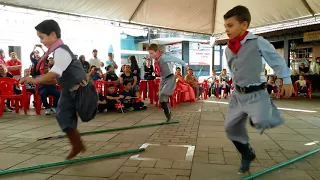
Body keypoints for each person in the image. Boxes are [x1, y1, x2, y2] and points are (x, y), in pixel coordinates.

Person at [223, 6, 293, 174]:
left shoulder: (258, 42)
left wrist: (286, 79)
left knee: (262, 120)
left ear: (244, 25)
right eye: (225, 26)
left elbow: (276, 59)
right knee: (230, 128)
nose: (226, 30)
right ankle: (247, 153)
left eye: (230, 25)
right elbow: (234, 69)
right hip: (238, 94)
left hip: (256, 93)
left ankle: (263, 113)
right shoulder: (227, 49)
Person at [20, 19, 98, 160]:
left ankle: (79, 138)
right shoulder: (56, 52)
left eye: (42, 37)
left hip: (82, 89)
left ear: (53, 35)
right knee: (62, 115)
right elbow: (57, 76)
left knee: (87, 116)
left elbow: (55, 72)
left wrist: (34, 80)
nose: (41, 41)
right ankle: (77, 145)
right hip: (68, 90)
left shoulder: (62, 51)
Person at [147, 43, 188, 121]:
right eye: (149, 53)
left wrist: (185, 65)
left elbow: (176, 59)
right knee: (161, 98)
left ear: (157, 51)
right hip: (163, 79)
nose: (150, 55)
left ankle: (168, 109)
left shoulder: (164, 57)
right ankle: (168, 114)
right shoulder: (156, 59)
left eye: (151, 53)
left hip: (170, 78)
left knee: (163, 93)